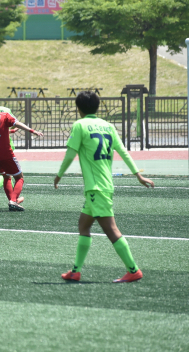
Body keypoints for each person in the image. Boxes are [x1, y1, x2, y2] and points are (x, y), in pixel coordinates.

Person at [55, 91, 154, 283]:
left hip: (96, 188)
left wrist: (59, 175)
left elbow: (70, 154)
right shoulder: (108, 126)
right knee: (83, 225)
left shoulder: (80, 125)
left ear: (79, 108)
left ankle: (133, 270)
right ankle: (75, 271)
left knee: (111, 229)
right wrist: (138, 175)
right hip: (104, 185)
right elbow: (123, 151)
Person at [0, 97, 43, 211]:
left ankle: (12, 201)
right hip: (5, 152)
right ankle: (13, 201)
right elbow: (18, 124)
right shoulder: (4, 115)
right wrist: (33, 131)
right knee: (19, 177)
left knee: (6, 176)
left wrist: (10, 131)